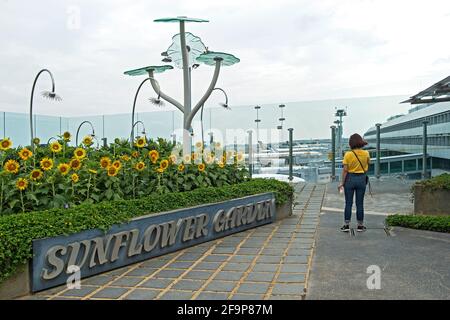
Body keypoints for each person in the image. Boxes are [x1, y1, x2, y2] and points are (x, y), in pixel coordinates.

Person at [338, 133, 370, 232]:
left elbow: (345, 170)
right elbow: (368, 165)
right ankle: (360, 226)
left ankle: (346, 225)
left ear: (351, 143)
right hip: (361, 179)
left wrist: (342, 183)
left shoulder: (348, 154)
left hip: (350, 179)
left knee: (348, 203)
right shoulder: (366, 153)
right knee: (360, 203)